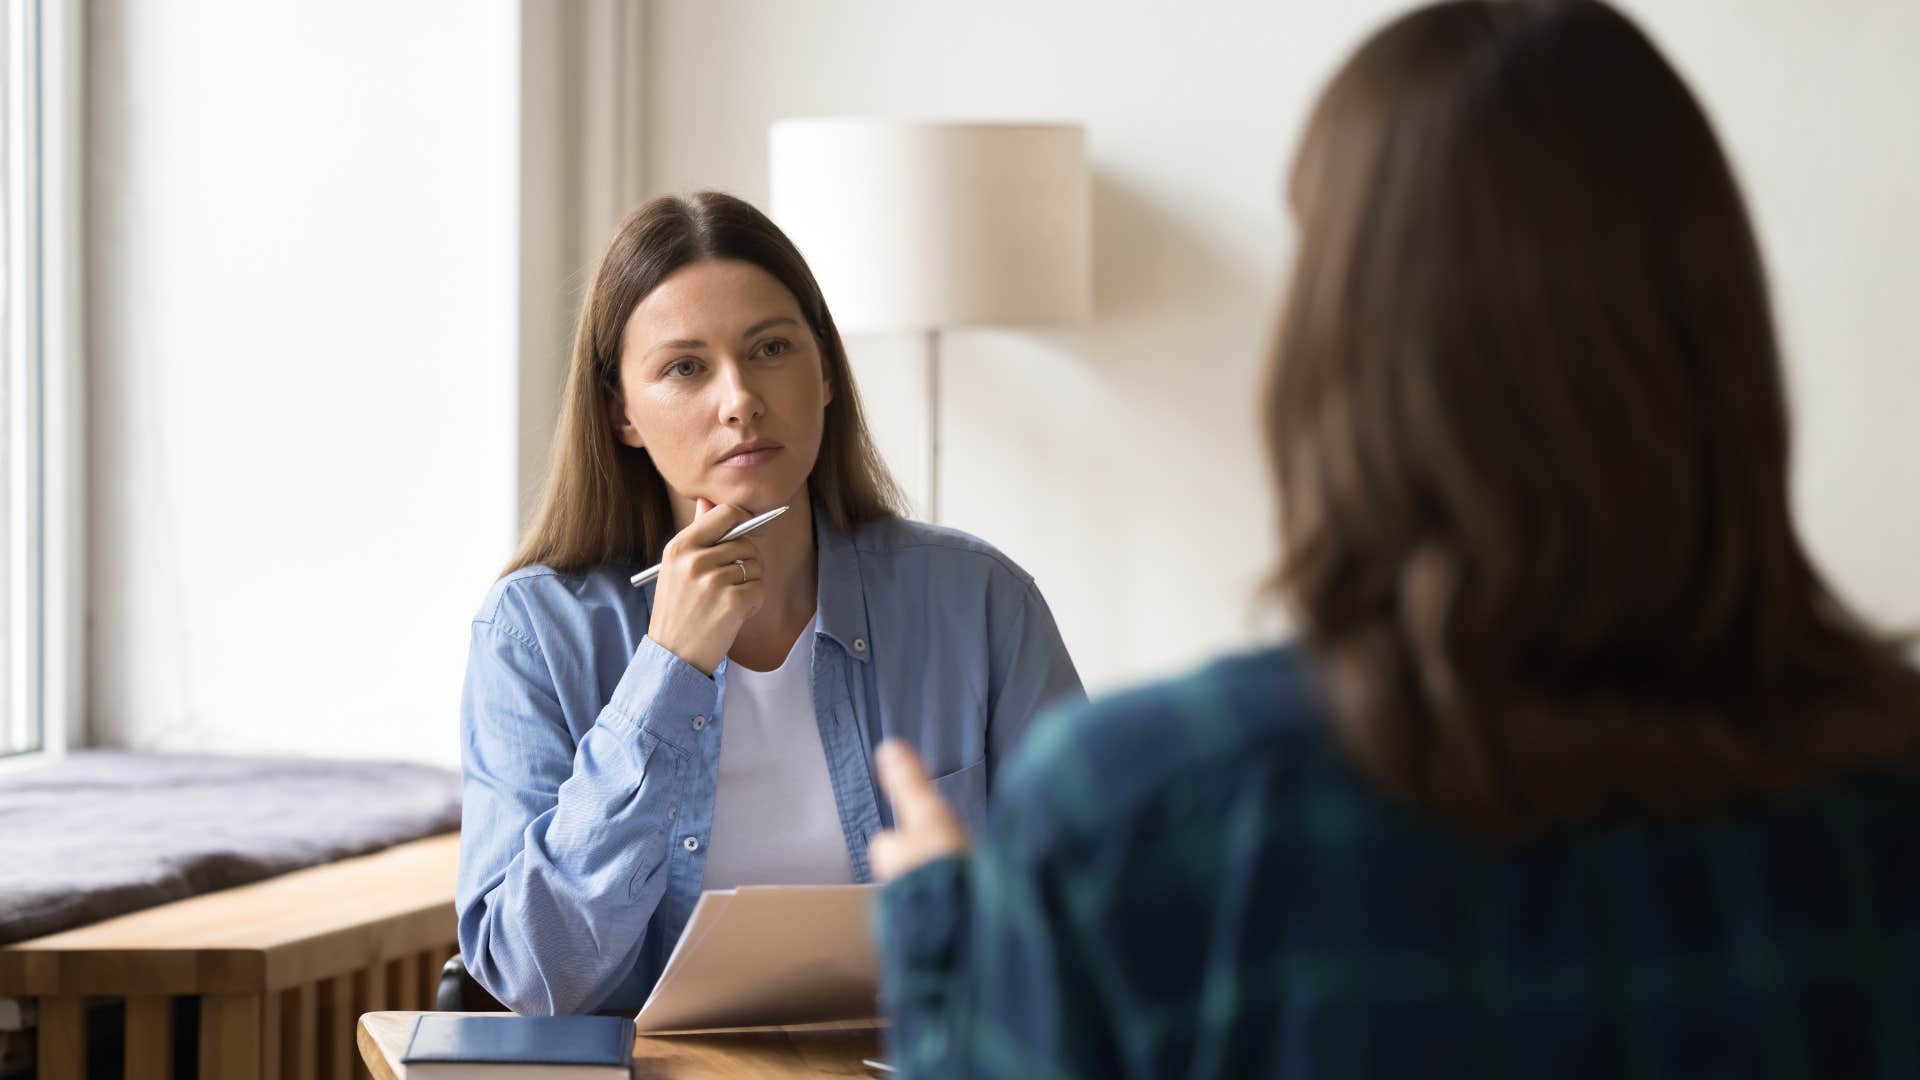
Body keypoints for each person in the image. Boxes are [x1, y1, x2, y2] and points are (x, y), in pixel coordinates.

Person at [867, 1, 1920, 1076]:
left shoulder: (1137, 819)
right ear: (1718, 340)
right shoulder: (1881, 802)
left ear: (1336, 347)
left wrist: (953, 942)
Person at [456, 192, 1084, 1015]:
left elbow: (1100, 911)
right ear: (622, 413)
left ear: (824, 372)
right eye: (685, 367)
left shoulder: (982, 602)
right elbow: (541, 979)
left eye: (771, 349)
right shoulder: (535, 633)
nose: (740, 399)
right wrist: (666, 670)